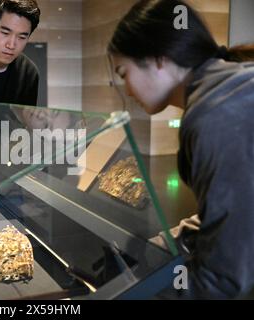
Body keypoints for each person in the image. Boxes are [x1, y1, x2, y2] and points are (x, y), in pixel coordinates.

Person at [108, 0, 254, 299]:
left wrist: (141, 289)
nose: (127, 90)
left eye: (124, 74)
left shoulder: (215, 116)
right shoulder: (226, 91)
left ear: (160, 58)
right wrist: (160, 247)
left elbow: (223, 278)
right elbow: (231, 214)